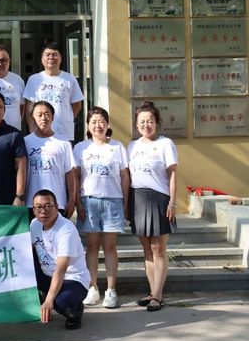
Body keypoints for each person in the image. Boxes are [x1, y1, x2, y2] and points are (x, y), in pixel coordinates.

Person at [73, 106, 130, 310]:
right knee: (91, 246)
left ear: (107, 124)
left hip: (112, 201)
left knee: (110, 247)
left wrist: (125, 203)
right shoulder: (80, 148)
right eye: (94, 122)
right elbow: (76, 177)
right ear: (88, 125)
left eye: (101, 121)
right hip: (88, 201)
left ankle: (111, 290)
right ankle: (93, 287)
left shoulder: (117, 147)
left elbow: (124, 176)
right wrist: (77, 202)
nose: (98, 125)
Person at [128, 101, 179, 312]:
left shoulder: (166, 144)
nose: (146, 125)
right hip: (137, 198)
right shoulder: (132, 146)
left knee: (158, 248)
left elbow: (172, 175)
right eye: (142, 121)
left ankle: (158, 295)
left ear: (157, 122)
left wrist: (172, 202)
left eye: (150, 121)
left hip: (159, 198)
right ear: (136, 124)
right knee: (146, 248)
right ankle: (152, 292)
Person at [31, 189, 90, 330]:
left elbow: (61, 269)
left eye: (48, 206)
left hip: (72, 278)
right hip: (46, 274)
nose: (43, 211)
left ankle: (75, 311)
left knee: (60, 302)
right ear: (33, 210)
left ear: (56, 207)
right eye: (39, 207)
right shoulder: (34, 224)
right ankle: (44, 296)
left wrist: (49, 300)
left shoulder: (66, 230)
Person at [24, 101, 78, 218]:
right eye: (39, 115)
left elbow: (70, 174)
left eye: (47, 114)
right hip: (31, 203)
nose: (43, 118)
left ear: (53, 117)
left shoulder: (64, 143)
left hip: (57, 203)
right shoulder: (25, 142)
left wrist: (72, 201)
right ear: (33, 117)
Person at [24, 42, 84, 141]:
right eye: (47, 55)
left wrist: (66, 117)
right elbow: (29, 107)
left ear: (61, 58)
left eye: (55, 54)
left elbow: (77, 104)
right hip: (40, 132)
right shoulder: (34, 79)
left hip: (64, 133)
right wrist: (32, 130)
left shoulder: (69, 79)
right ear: (42, 59)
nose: (51, 57)